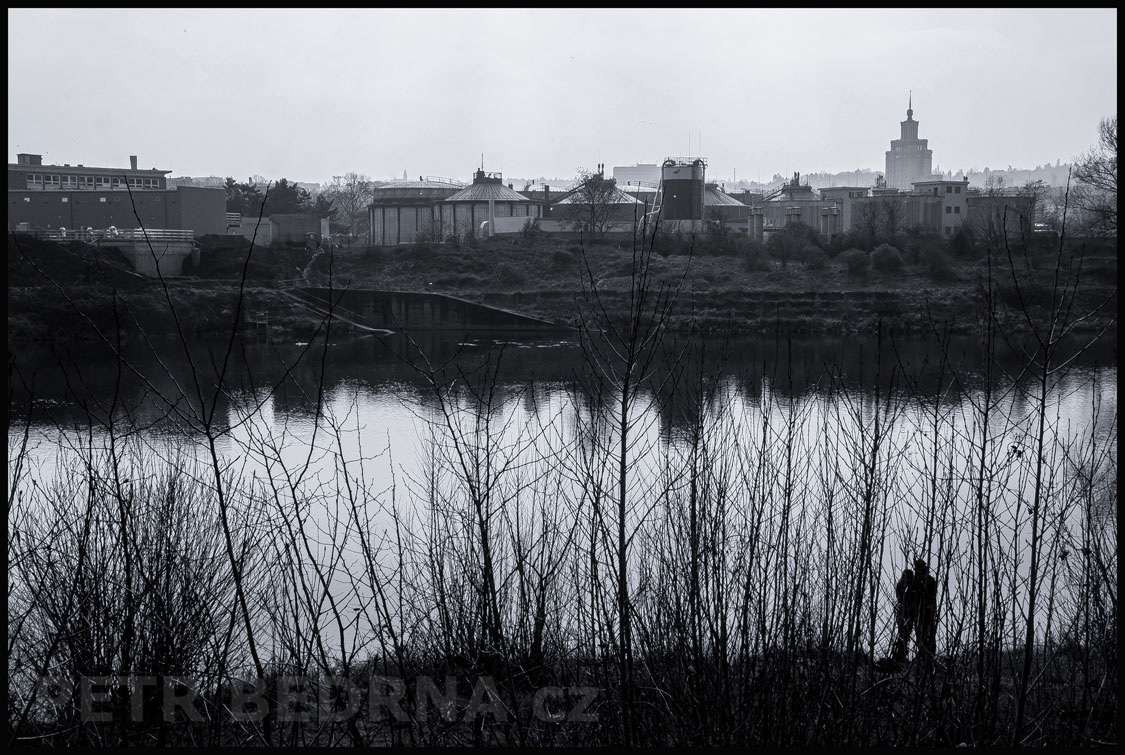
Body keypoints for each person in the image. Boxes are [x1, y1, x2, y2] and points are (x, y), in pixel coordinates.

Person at [912, 559, 938, 669]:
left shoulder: (930, 580)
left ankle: (929, 656)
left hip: (928, 611)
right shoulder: (915, 580)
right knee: (920, 633)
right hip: (919, 611)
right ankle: (922, 655)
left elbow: (930, 595)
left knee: (929, 633)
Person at [891, 567, 915, 665]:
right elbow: (901, 599)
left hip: (907, 613)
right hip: (903, 612)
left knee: (905, 635)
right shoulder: (902, 585)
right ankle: (899, 656)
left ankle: (901, 655)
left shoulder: (910, 586)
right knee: (903, 634)